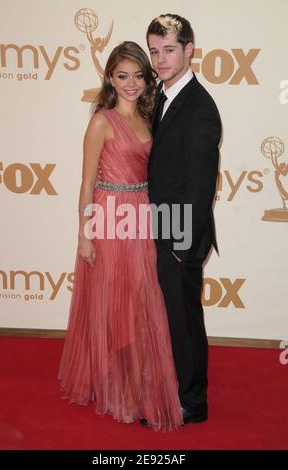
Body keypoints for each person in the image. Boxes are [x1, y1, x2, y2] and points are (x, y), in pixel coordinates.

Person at [58, 41, 183, 431]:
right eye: (122, 76)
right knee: (115, 306)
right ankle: (119, 391)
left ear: (147, 79)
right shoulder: (101, 121)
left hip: (142, 217)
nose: (130, 83)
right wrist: (84, 233)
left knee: (142, 303)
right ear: (110, 78)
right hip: (109, 220)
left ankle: (138, 385)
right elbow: (86, 181)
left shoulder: (149, 117)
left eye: (137, 76)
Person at [142, 14, 222, 426]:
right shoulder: (163, 93)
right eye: (155, 51)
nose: (160, 59)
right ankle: (174, 389)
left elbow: (199, 187)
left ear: (189, 49)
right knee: (170, 317)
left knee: (183, 320)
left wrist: (181, 245)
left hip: (179, 234)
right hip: (159, 226)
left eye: (169, 50)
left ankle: (192, 403)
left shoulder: (200, 108)